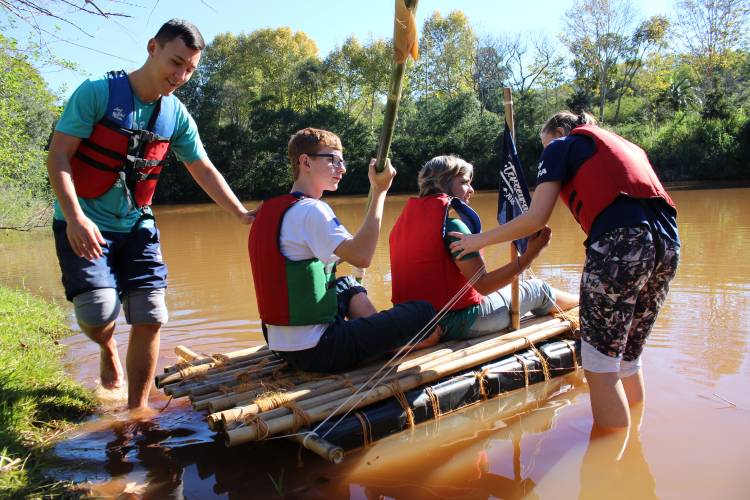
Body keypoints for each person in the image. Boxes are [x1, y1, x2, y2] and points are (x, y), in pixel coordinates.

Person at [47, 19, 255, 409]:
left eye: (190, 69)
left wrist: (240, 213)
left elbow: (202, 168)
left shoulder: (175, 115)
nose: (181, 76)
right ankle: (107, 346)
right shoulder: (96, 93)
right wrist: (74, 217)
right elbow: (58, 155)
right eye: (176, 62)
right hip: (84, 220)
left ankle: (137, 409)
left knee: (151, 314)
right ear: (152, 48)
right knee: (98, 312)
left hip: (137, 224)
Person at [449, 112, 680, 429]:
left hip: (621, 244)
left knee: (600, 364)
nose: (546, 151)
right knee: (628, 357)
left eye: (545, 143)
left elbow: (536, 218)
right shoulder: (624, 145)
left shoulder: (561, 145)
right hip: (668, 245)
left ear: (559, 131)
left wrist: (479, 240)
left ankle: (611, 455)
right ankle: (634, 446)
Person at [248, 127, 438, 373]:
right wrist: (379, 191)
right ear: (305, 162)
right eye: (333, 160)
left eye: (342, 161)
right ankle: (388, 345)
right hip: (320, 350)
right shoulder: (312, 210)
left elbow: (301, 266)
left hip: (280, 344)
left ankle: (378, 337)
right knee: (425, 311)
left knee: (347, 285)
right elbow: (362, 256)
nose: (342, 168)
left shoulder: (269, 209)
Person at [389, 155, 578, 342]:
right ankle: (582, 305)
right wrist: (530, 254)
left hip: (416, 322)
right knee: (538, 289)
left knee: (522, 289)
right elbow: (484, 286)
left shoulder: (400, 227)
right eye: (464, 182)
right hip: (457, 322)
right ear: (442, 183)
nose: (471, 190)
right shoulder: (453, 227)